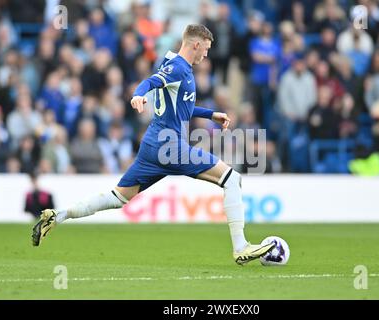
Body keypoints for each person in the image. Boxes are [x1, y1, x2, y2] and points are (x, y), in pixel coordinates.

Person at [31, 24, 275, 265]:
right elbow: (150, 82)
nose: (206, 54)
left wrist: (210, 114)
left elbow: (181, 107)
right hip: (170, 146)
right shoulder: (178, 68)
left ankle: (58, 215)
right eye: (206, 49)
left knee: (117, 198)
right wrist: (138, 95)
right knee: (232, 179)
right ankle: (240, 247)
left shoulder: (178, 66)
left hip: (153, 145)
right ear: (196, 44)